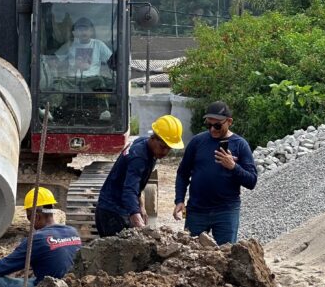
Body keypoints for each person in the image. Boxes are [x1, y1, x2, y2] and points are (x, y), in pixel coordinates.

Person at [173, 101, 258, 245]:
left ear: (229, 122)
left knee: (225, 255)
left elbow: (251, 181)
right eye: (208, 125)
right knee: (191, 255)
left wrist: (233, 166)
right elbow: (183, 173)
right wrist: (179, 200)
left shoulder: (240, 145)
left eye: (217, 125)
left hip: (226, 211)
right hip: (196, 211)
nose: (212, 129)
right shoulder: (197, 142)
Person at [0, 187, 81, 287]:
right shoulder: (72, 231)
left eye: (29, 217)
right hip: (69, 282)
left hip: (47, 285)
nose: (29, 221)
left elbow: (4, 266)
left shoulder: (38, 239)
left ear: (36, 216)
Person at [95, 115, 184, 237]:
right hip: (112, 213)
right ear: (153, 138)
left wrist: (141, 206)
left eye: (169, 148)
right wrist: (137, 219)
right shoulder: (140, 157)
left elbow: (136, 183)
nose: (165, 152)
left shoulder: (145, 145)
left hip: (116, 208)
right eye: (163, 147)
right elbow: (129, 190)